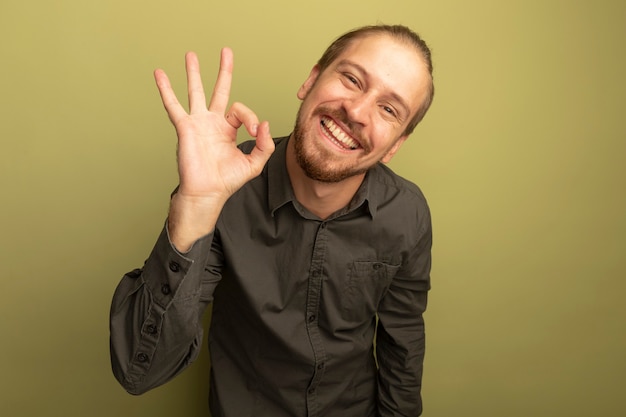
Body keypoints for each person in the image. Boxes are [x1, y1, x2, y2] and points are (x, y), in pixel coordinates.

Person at [110, 24, 435, 417]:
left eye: (389, 109)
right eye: (351, 78)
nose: (357, 111)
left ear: (395, 145)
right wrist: (196, 205)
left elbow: (403, 347)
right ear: (312, 79)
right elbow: (136, 373)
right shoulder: (228, 188)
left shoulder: (408, 213)